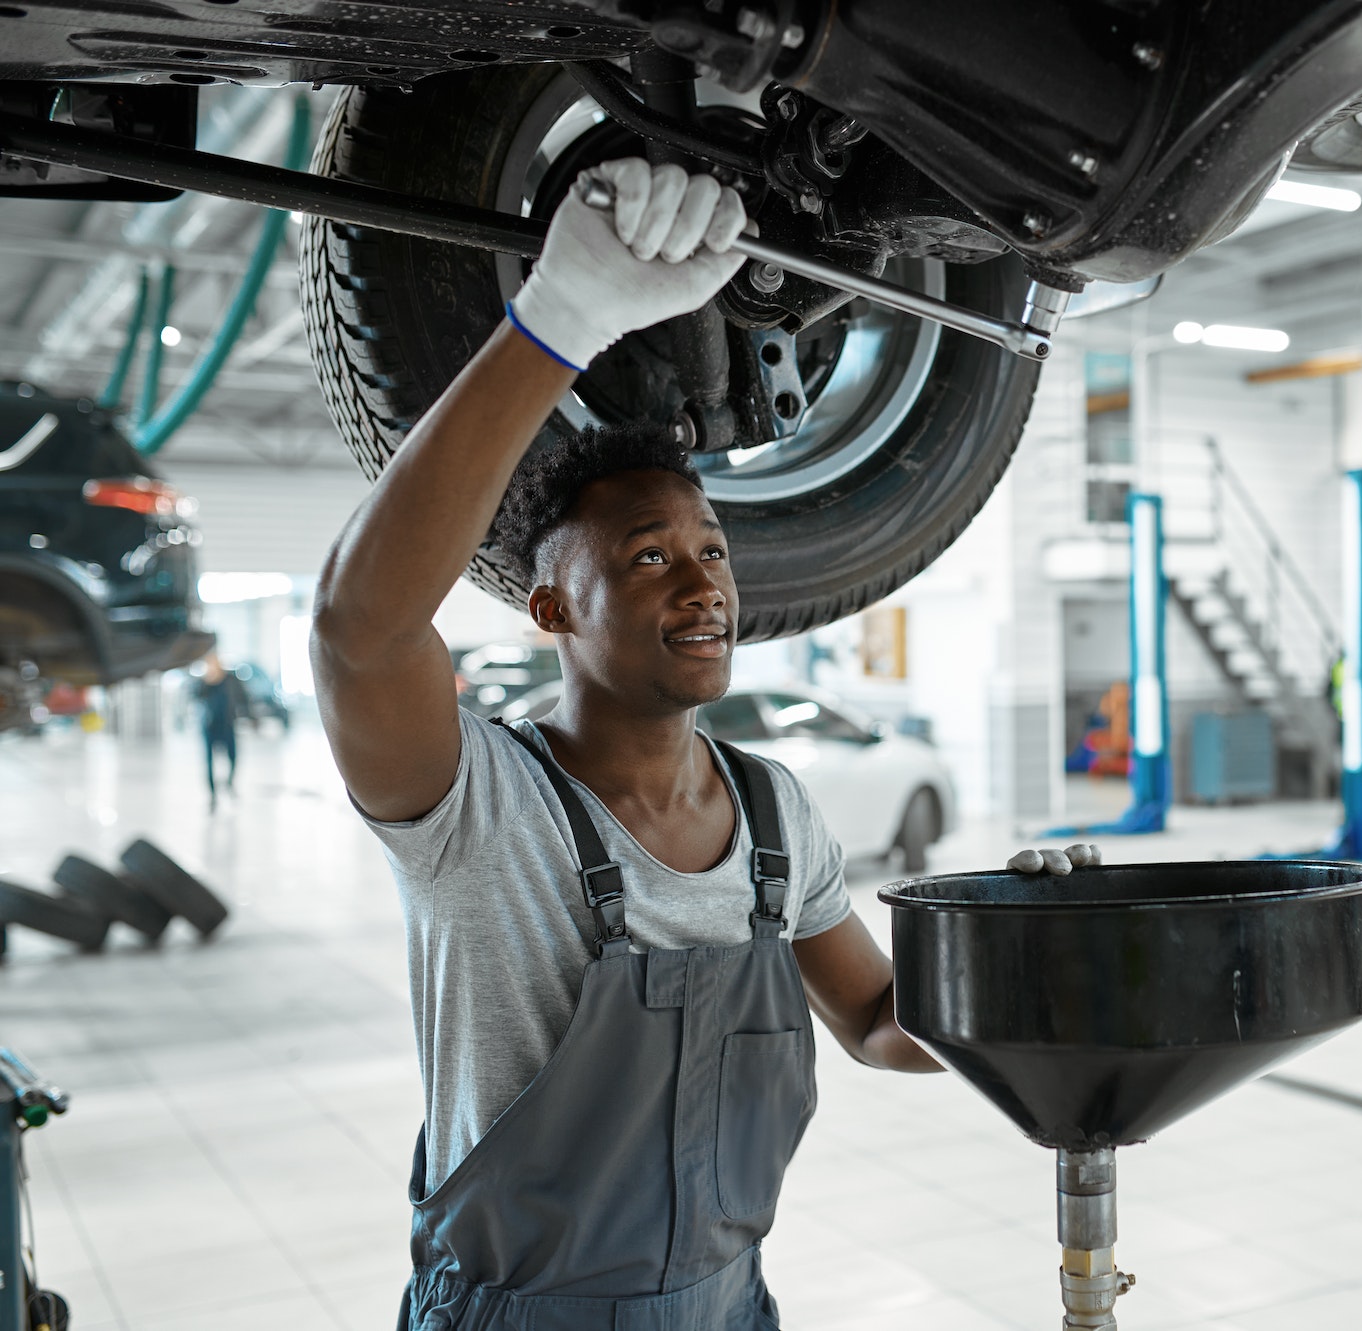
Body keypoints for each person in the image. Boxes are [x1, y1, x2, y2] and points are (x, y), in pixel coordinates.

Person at [310, 157, 1096, 1331]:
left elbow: (881, 1022)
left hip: (732, 1306)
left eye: (712, 550)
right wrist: (559, 322)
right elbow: (358, 631)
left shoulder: (776, 817)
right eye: (645, 557)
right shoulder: (476, 809)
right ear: (548, 608)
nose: (702, 585)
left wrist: (1032, 974)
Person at [191, 653, 239, 809]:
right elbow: (195, 696)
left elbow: (241, 696)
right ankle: (212, 794)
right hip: (209, 727)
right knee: (209, 761)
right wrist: (207, 680)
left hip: (227, 725)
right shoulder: (204, 683)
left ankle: (229, 783)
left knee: (233, 757)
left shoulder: (230, 680)